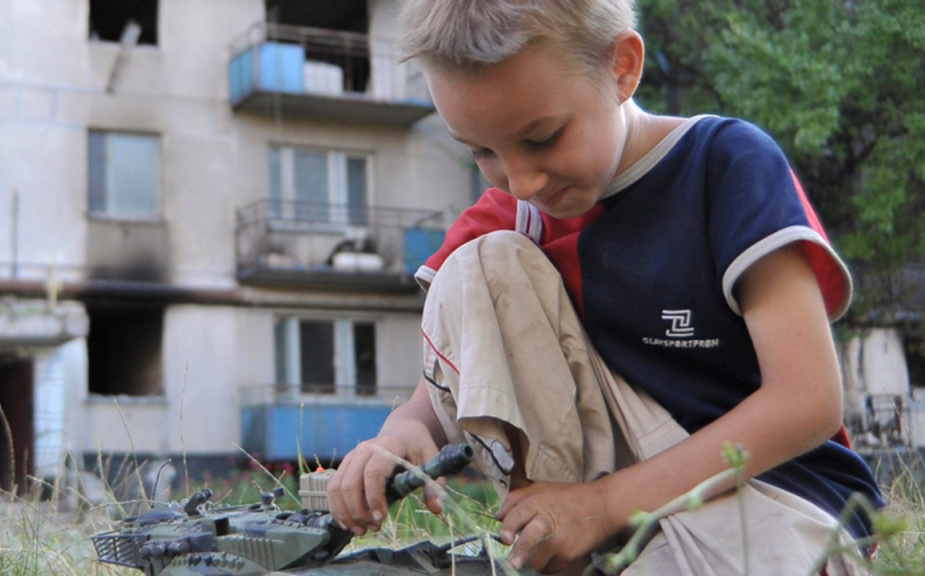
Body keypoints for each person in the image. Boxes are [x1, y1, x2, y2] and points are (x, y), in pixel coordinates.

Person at [326, 0, 884, 574]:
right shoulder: (511, 218)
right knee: (477, 263)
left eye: (542, 138)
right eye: (482, 151)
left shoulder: (725, 166)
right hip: (607, 516)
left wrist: (605, 505)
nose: (522, 181)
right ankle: (555, 547)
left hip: (769, 489)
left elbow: (809, 401)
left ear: (622, 67)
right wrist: (402, 434)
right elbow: (434, 398)